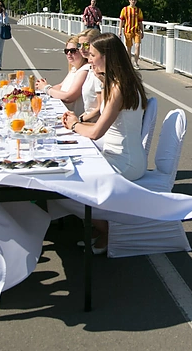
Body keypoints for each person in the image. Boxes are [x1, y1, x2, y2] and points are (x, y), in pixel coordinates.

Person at [62, 33, 148, 253]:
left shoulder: (119, 87)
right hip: (117, 154)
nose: (88, 59)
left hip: (125, 162)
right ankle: (98, 226)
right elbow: (103, 128)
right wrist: (75, 125)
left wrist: (73, 125)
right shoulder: (120, 82)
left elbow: (97, 133)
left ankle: (108, 230)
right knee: (69, 170)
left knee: (66, 190)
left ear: (107, 57)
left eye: (92, 55)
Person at [37, 36, 89, 116]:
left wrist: (47, 88)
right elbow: (61, 86)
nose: (69, 54)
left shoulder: (85, 70)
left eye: (73, 51)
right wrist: (42, 88)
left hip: (75, 118)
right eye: (66, 51)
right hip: (65, 113)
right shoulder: (74, 68)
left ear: (82, 51)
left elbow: (69, 97)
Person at [76, 28, 103, 123]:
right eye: (79, 45)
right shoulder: (91, 69)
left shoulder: (99, 74)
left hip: (96, 125)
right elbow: (90, 109)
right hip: (89, 120)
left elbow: (100, 110)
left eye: (86, 45)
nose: (82, 49)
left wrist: (79, 121)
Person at [119, 0, 144, 69]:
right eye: (132, 0)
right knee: (129, 48)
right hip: (128, 31)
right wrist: (119, 31)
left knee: (137, 46)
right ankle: (129, 63)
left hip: (136, 31)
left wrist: (142, 31)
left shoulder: (138, 10)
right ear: (129, 0)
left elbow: (140, 22)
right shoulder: (125, 9)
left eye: (135, 0)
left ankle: (135, 62)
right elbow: (122, 21)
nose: (133, 2)